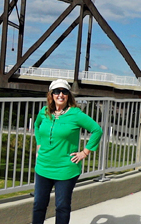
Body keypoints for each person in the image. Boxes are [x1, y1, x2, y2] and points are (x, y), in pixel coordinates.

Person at [32, 79, 101, 224]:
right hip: (43, 166)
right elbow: (36, 126)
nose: (60, 95)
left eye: (64, 92)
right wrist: (39, 145)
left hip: (66, 169)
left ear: (69, 95)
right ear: (51, 95)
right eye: (57, 91)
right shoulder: (44, 112)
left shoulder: (75, 114)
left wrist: (85, 152)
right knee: (39, 205)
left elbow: (97, 130)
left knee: (62, 207)